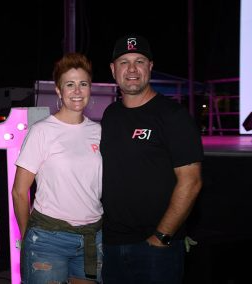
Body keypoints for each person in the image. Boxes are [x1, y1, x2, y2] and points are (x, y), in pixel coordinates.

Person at [100, 35, 204, 283]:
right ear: (114, 70)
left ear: (150, 67)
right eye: (124, 62)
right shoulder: (110, 114)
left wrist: (161, 237)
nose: (132, 69)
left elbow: (191, 182)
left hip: (156, 249)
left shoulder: (173, 116)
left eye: (139, 61)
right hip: (112, 244)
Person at [12, 53, 103, 284]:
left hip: (93, 236)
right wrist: (27, 236)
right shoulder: (42, 131)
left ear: (90, 89)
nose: (77, 91)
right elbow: (19, 192)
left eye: (83, 84)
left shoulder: (100, 132)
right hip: (48, 239)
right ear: (58, 91)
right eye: (69, 85)